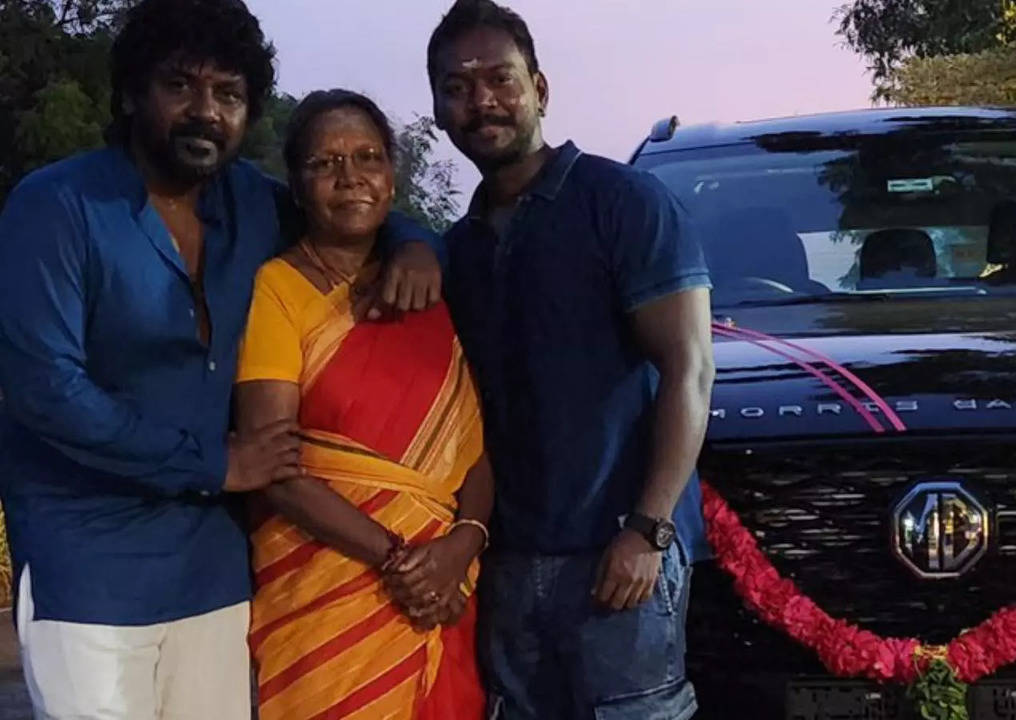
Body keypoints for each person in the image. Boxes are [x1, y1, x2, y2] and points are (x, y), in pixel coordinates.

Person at [0, 1, 444, 718]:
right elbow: (44, 389)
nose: (206, 111)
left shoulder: (253, 206)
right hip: (89, 567)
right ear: (131, 94)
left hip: (215, 571)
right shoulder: (57, 206)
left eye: (229, 94)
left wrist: (419, 244)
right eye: (180, 86)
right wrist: (217, 464)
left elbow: (356, 206)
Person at [427, 2, 716, 718]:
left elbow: (691, 367)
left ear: (541, 89)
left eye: (500, 79)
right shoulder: (457, 249)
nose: (481, 101)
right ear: (436, 108)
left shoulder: (621, 202)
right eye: (457, 88)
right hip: (507, 564)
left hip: (620, 557)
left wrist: (648, 529)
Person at [235, 89, 491, 720]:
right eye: (325, 164)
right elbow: (276, 466)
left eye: (368, 158)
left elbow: (476, 452)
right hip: (325, 595)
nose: (350, 178)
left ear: (391, 176)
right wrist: (403, 562)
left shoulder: (429, 285)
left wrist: (460, 549)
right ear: (295, 185)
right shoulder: (278, 291)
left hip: (443, 591)